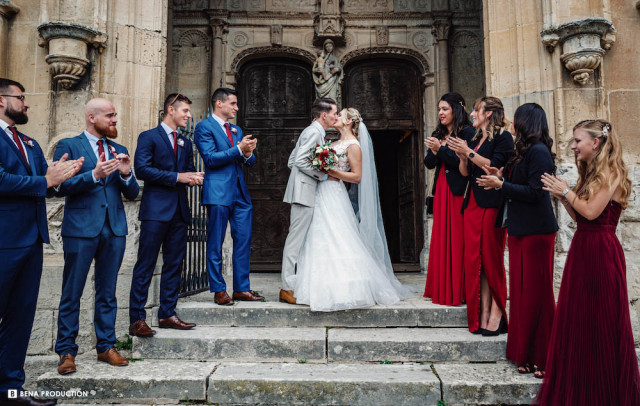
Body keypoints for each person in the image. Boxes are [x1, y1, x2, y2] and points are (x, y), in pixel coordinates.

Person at [535, 120, 640, 405]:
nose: (572, 146)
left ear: (596, 143)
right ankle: (580, 384)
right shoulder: (592, 174)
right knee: (580, 320)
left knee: (600, 320)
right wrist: (564, 196)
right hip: (583, 248)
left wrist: (566, 192)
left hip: (601, 253)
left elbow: (592, 213)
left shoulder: (612, 172)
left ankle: (602, 392)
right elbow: (579, 217)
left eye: (577, 140)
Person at [0, 78, 81, 405]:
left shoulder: (29, 143)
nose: (27, 104)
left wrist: (59, 177)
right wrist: (44, 179)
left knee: (20, 319)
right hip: (3, 239)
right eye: (21, 98)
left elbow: (41, 184)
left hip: (32, 240)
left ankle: (10, 390)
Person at [292, 108, 414, 311]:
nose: (336, 117)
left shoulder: (354, 146)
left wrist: (332, 171)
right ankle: (317, 289)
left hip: (335, 194)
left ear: (349, 121)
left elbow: (357, 176)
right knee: (319, 236)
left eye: (340, 115)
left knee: (339, 236)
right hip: (321, 192)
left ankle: (348, 290)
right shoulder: (332, 143)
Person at [53, 98, 140, 375]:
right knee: (72, 291)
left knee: (108, 291)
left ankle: (106, 346)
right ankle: (66, 351)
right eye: (110, 115)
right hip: (80, 229)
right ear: (92, 117)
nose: (115, 120)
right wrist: (92, 174)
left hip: (114, 229)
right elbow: (59, 186)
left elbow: (132, 193)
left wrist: (126, 174)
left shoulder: (120, 149)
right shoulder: (70, 146)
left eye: (115, 115)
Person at [477, 103, 558, 378]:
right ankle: (523, 353)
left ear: (526, 122)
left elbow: (537, 192)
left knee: (538, 294)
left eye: (517, 119)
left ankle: (545, 357)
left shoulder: (539, 152)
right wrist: (500, 177)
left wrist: (502, 185)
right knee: (521, 294)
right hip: (520, 230)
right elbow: (518, 184)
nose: (512, 122)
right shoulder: (521, 152)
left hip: (538, 232)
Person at [128, 93, 203, 337]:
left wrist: (193, 177)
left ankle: (167, 313)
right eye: (185, 111)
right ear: (171, 109)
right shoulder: (149, 137)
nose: (188, 116)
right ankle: (137, 319)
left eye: (189, 112)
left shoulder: (185, 142)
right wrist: (177, 177)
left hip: (180, 211)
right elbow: (142, 169)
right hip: (155, 212)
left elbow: (188, 170)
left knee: (175, 264)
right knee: (146, 264)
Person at [448, 96, 513, 335]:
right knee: (477, 261)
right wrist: (464, 157)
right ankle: (482, 312)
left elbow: (493, 166)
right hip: (473, 203)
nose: (472, 115)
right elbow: (466, 173)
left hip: (492, 203)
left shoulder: (503, 137)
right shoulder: (475, 138)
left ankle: (498, 312)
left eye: (477, 111)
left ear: (489, 113)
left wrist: (469, 153)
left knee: (492, 258)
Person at [194, 88, 263, 306]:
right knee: (215, 241)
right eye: (233, 103)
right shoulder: (203, 127)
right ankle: (219, 289)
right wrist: (239, 149)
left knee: (243, 240)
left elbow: (246, 162)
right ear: (219, 104)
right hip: (217, 192)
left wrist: (248, 153)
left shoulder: (236, 129)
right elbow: (211, 159)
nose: (236, 108)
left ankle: (242, 288)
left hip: (240, 192)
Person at [280, 98, 338, 305]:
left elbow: (291, 161)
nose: (336, 117)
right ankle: (287, 287)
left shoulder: (313, 131)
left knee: (299, 239)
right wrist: (322, 175)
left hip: (304, 190)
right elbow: (298, 161)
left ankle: (294, 283)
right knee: (295, 241)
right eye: (334, 113)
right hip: (303, 194)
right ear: (324, 115)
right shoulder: (314, 132)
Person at [423, 92, 474, 306]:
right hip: (441, 188)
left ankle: (458, 289)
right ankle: (441, 287)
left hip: (458, 189)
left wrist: (441, 149)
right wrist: (435, 150)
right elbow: (429, 163)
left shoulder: (468, 132)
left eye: (445, 109)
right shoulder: (439, 132)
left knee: (456, 237)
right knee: (441, 237)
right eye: (439, 109)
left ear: (456, 109)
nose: (440, 113)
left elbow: (462, 163)